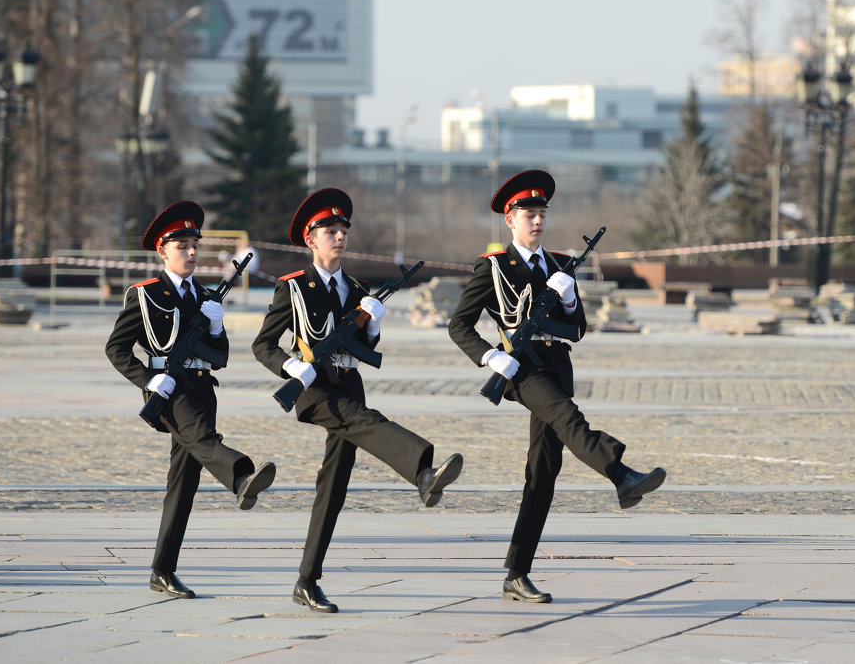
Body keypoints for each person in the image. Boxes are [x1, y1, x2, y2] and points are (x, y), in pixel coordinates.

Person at [448, 169, 667, 604]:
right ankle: (621, 474)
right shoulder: (493, 267)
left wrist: (568, 298)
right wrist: (491, 356)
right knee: (570, 420)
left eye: (542, 213)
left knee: (543, 473)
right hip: (522, 369)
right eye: (528, 213)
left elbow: (577, 329)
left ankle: (516, 574)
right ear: (509, 220)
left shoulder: (558, 265)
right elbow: (459, 325)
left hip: (555, 367)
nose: (537, 220)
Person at [252, 187, 464, 614]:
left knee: (334, 485)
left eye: (342, 229)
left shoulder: (357, 287)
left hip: (348, 384)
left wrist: (372, 324)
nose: (339, 235)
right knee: (368, 421)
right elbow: (263, 345)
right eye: (329, 230)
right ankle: (422, 472)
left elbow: (365, 346)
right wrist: (292, 368)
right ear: (311, 240)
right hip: (313, 389)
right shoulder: (292, 288)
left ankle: (307, 580)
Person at [105, 200, 276, 600]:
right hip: (170, 392)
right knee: (203, 441)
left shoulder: (204, 295)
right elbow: (116, 349)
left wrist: (216, 326)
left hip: (201, 390)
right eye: (181, 245)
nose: (191, 252)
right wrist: (148, 380)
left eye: (194, 244)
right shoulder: (144, 294)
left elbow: (220, 358)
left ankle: (162, 570)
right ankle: (240, 476)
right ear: (163, 251)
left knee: (182, 485)